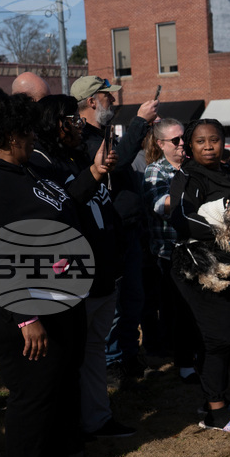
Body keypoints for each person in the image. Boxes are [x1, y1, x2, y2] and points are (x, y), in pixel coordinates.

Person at [0, 87, 112, 457]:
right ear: (11, 136)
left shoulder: (24, 170)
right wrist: (25, 318)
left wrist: (93, 174)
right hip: (8, 298)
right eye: (26, 133)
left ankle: (69, 454)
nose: (32, 139)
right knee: (36, 383)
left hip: (50, 288)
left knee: (64, 374)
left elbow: (62, 204)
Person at [30, 94, 135, 438]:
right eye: (72, 120)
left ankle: (97, 420)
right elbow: (63, 206)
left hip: (104, 273)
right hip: (75, 278)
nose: (79, 125)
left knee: (94, 350)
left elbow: (103, 208)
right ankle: (69, 428)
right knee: (70, 357)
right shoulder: (40, 161)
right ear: (54, 123)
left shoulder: (77, 154)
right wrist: (92, 172)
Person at [169, 119, 230, 432]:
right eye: (201, 141)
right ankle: (216, 413)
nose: (209, 146)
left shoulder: (226, 171)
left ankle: (217, 397)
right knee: (217, 338)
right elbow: (181, 218)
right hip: (201, 267)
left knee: (228, 335)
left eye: (214, 140)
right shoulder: (187, 175)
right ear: (190, 145)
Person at [73, 75, 158, 385]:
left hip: (128, 229)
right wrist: (139, 122)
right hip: (108, 232)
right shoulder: (82, 138)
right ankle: (110, 361)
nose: (113, 100)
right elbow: (116, 164)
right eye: (108, 96)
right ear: (92, 101)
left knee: (132, 299)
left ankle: (127, 355)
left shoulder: (102, 132)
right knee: (114, 303)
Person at [142, 118, 201, 385]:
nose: (182, 145)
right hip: (170, 252)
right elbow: (162, 207)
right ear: (161, 144)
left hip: (198, 249)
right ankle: (185, 363)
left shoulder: (192, 166)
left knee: (198, 308)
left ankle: (198, 356)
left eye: (184, 139)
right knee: (180, 311)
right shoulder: (156, 171)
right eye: (175, 141)